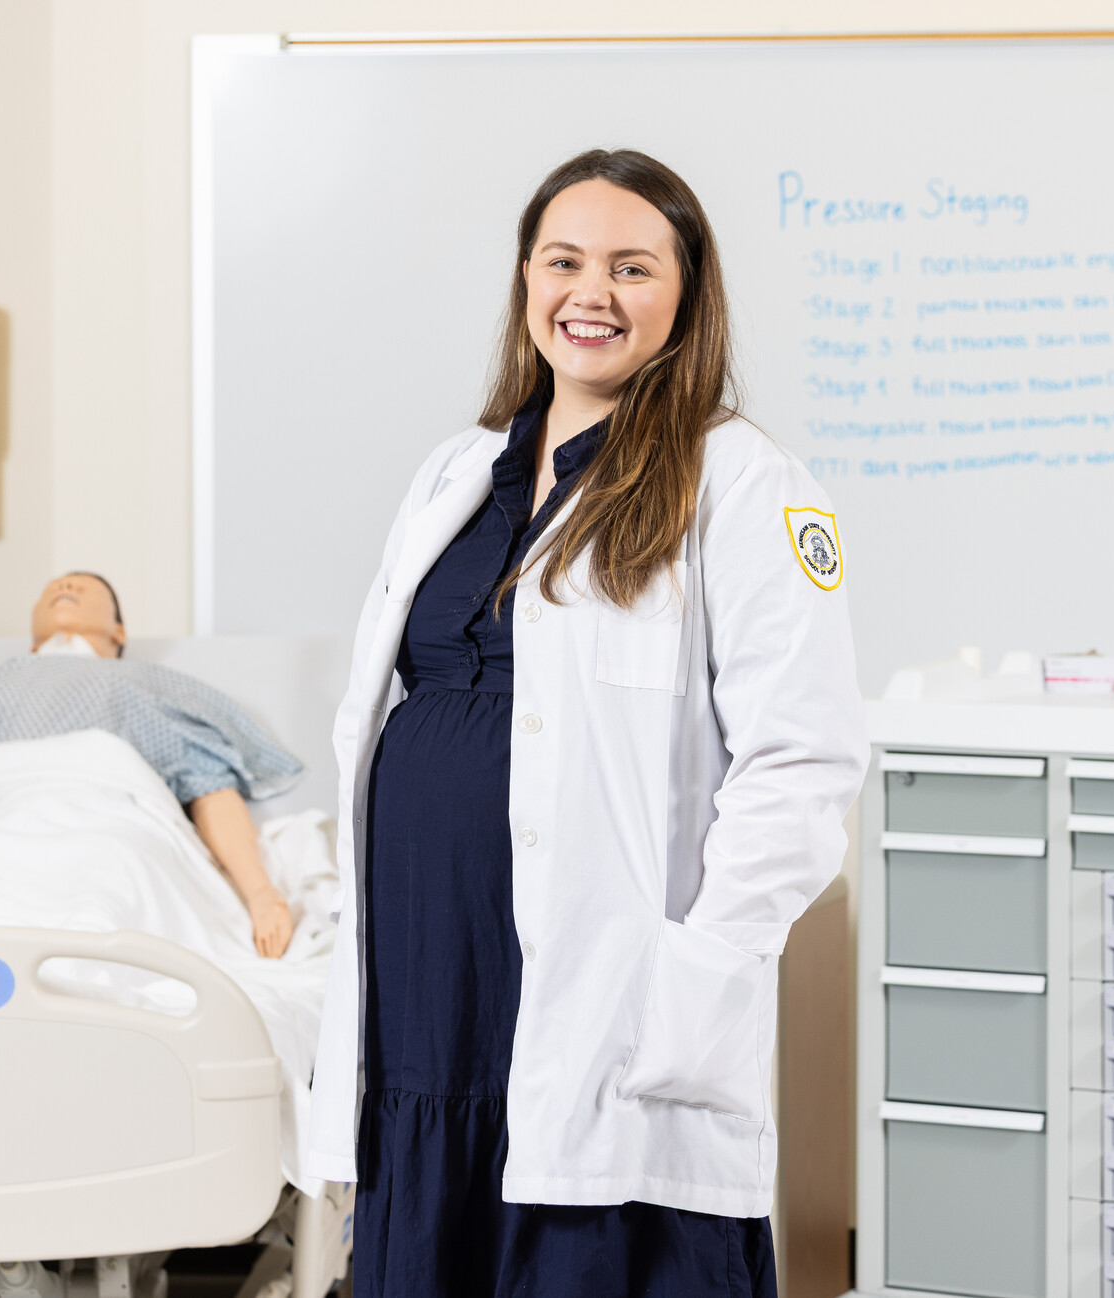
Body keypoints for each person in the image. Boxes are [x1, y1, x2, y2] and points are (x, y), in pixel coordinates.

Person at [305, 150, 868, 1294]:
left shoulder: (747, 483)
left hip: (611, 998)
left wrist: (697, 968)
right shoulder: (458, 473)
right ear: (526, 280)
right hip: (429, 996)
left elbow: (803, 763)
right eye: (564, 261)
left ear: (687, 293)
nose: (590, 294)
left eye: (631, 267)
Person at [0, 571, 300, 957]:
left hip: (103, 820)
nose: (66, 584)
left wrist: (261, 894)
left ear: (120, 631)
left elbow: (207, 781)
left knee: (101, 905)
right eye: (55, 586)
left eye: (86, 587)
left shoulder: (141, 683)